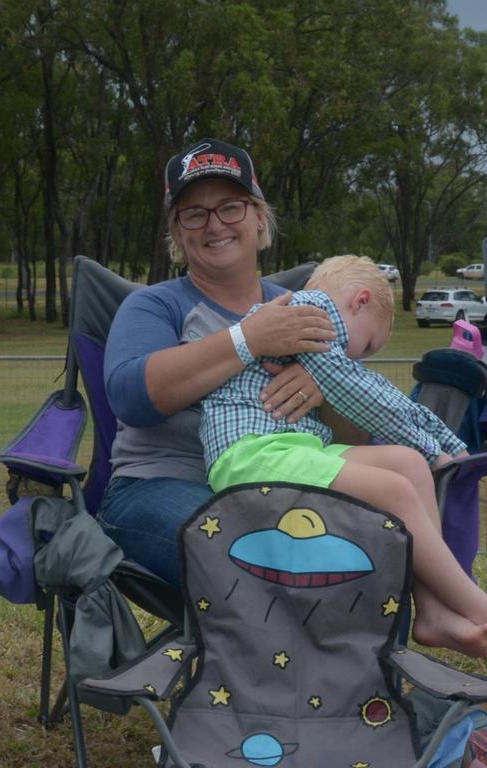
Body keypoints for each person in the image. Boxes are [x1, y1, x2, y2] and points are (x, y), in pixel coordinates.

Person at [202, 255, 487, 657]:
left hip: (291, 447)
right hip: (252, 454)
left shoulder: (307, 321)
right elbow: (364, 394)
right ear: (360, 301)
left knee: (407, 463)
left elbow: (372, 389)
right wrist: (433, 444)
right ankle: (477, 607)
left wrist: (441, 446)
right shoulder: (311, 313)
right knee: (395, 489)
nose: (357, 358)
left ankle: (433, 610)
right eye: (367, 344)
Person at [100, 137, 340, 590]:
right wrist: (249, 339)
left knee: (370, 543)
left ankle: (364, 662)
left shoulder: (304, 310)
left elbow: (356, 435)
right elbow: (130, 396)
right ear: (177, 231)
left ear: (258, 217)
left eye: (230, 207)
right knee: (256, 551)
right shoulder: (155, 306)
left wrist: (327, 389)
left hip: (286, 485)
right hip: (159, 485)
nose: (215, 225)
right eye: (194, 213)